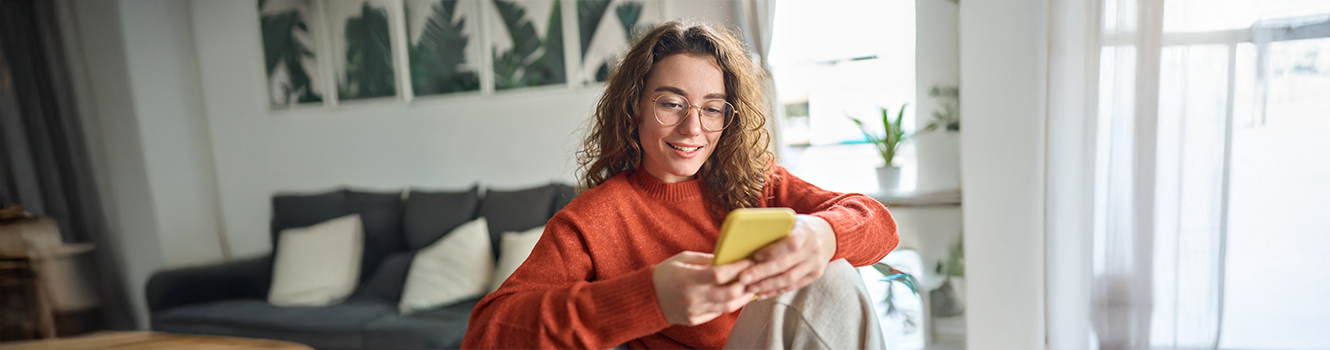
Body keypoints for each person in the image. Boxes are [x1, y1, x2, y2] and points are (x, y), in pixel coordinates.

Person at [462, 21, 898, 350]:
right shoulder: (592, 221)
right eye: (671, 103)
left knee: (833, 270)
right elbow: (486, 334)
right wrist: (649, 298)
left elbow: (878, 223)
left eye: (712, 109)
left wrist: (822, 235)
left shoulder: (756, 183)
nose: (693, 128)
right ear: (633, 106)